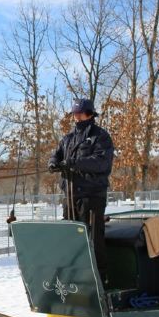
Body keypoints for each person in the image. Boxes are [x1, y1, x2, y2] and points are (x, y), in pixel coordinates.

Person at [48, 98, 114, 281]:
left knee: (92, 239)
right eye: (74, 114)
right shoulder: (68, 138)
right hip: (70, 196)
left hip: (91, 196)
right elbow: (57, 153)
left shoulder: (100, 137)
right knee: (70, 239)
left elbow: (101, 162)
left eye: (79, 113)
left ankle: (99, 278)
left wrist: (75, 163)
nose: (76, 117)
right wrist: (54, 162)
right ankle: (73, 276)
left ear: (89, 114)